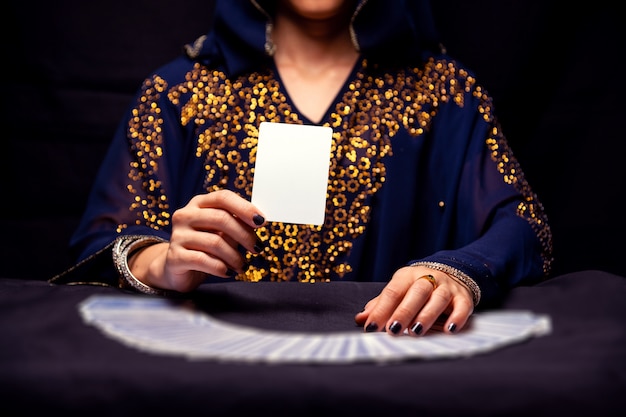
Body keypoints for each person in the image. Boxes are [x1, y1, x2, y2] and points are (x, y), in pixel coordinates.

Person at [51, 0, 553, 337]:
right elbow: (100, 245)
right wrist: (159, 262)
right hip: (210, 372)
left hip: (389, 370)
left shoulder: (446, 94)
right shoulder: (178, 93)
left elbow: (524, 226)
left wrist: (459, 272)